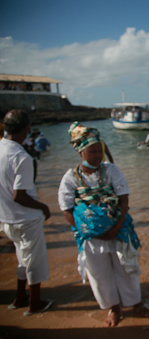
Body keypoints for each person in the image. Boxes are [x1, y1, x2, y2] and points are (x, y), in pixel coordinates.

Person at [58, 122, 149, 327]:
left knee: (127, 268)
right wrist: (86, 231)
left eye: (100, 150)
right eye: (92, 152)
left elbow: (124, 200)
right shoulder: (70, 178)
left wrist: (116, 228)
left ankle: (135, 303)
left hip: (118, 232)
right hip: (90, 238)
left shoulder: (111, 171)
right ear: (80, 153)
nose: (98, 155)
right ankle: (114, 308)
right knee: (99, 275)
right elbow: (66, 209)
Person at [0, 110, 53, 316]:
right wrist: (43, 207)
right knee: (35, 262)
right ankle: (35, 303)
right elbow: (19, 195)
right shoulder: (21, 156)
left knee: (22, 258)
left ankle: (20, 297)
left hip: (7, 219)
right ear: (26, 130)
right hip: (26, 219)